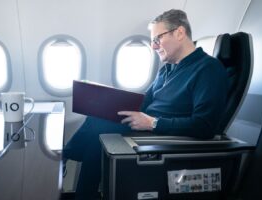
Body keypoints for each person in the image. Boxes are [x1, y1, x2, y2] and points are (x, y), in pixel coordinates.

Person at [63, 9, 228, 200]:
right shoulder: (168, 69)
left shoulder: (208, 69)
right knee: (97, 115)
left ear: (179, 33)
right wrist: (106, 97)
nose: (153, 46)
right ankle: (77, 179)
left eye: (157, 38)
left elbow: (205, 125)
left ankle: (68, 162)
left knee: (98, 127)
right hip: (146, 124)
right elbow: (145, 101)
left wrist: (152, 123)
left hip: (163, 135)